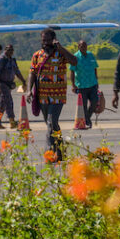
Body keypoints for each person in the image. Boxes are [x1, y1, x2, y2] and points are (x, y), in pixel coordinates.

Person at [28, 28, 78, 160]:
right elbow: (32, 73)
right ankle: (61, 150)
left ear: (54, 40)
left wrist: (60, 48)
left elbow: (74, 61)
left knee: (51, 122)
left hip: (57, 95)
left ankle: (49, 153)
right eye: (43, 40)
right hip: (42, 95)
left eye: (48, 40)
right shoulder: (37, 55)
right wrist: (29, 90)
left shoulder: (60, 54)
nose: (45, 42)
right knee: (51, 124)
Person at [68, 39, 100, 129]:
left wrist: (97, 81)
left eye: (85, 46)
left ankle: (87, 118)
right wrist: (73, 85)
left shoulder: (90, 55)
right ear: (78, 47)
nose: (83, 48)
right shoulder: (75, 57)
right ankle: (87, 121)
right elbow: (72, 72)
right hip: (81, 85)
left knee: (94, 102)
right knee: (84, 106)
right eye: (81, 46)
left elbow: (95, 68)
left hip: (92, 83)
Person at [0, 44, 23, 128]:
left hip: (9, 84)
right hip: (2, 83)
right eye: (8, 50)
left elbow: (17, 71)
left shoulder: (12, 60)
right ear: (5, 50)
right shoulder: (1, 60)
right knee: (9, 101)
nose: (10, 52)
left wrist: (23, 81)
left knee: (2, 103)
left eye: (12, 50)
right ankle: (12, 121)